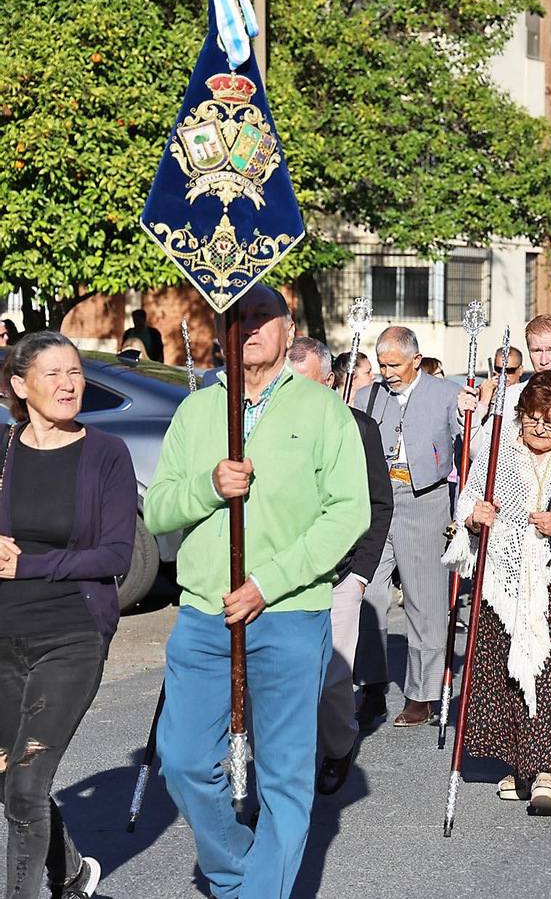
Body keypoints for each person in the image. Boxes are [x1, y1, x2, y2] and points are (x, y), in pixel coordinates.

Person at [146, 285, 369, 899]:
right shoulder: (197, 411)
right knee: (186, 762)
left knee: (284, 780)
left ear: (288, 328)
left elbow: (348, 514)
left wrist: (268, 584)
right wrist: (208, 486)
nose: (249, 327)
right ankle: (234, 872)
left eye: (263, 316)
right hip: (202, 614)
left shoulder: (325, 412)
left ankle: (259, 892)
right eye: (238, 316)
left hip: (290, 614)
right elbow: (158, 509)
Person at [0, 332, 136, 899]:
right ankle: (73, 872)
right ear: (19, 386)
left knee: (27, 785)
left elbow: (114, 556)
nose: (67, 383)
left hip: (71, 634)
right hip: (3, 635)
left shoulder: (106, 453)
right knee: (10, 784)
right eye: (53, 373)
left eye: (75, 372)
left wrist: (28, 564)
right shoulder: (3, 452)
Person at [447, 371, 551, 814]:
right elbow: (465, 506)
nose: (541, 429)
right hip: (503, 582)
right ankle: (518, 762)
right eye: (533, 418)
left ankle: (545, 772)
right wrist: (474, 518)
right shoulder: (497, 454)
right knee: (504, 672)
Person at [284, 337, 393, 796]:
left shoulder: (359, 428)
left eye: (304, 383)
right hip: (283, 572)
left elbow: (378, 503)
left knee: (332, 677)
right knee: (285, 676)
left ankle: (336, 746)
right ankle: (284, 769)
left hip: (342, 573)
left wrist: (362, 572)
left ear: (329, 381)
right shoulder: (274, 425)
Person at [351, 326, 464, 728]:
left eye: (394, 364)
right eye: (381, 364)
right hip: (377, 504)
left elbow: (469, 447)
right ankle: (371, 688)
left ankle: (423, 694)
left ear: (416, 360)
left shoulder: (447, 393)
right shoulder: (366, 397)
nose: (387, 372)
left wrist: (473, 416)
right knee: (367, 595)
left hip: (426, 501)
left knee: (425, 601)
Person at [469, 318, 551, 456]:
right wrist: (468, 417)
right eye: (537, 351)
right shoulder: (509, 397)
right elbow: (482, 453)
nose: (544, 361)